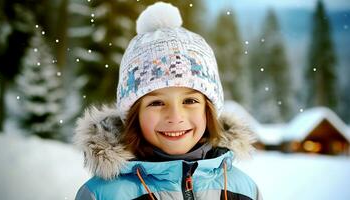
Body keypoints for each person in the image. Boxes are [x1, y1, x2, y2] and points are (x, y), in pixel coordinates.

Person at [74, 2, 262, 200]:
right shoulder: (103, 194)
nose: (175, 117)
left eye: (189, 101)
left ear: (209, 110)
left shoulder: (243, 189)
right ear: (133, 115)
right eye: (156, 103)